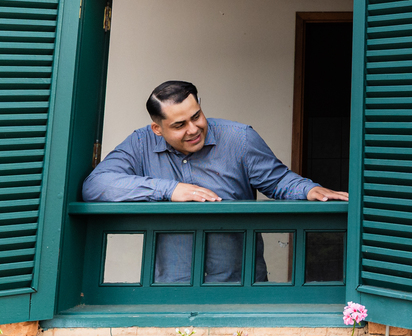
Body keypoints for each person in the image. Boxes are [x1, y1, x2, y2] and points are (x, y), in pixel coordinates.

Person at [83, 80, 349, 283]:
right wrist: (169, 189)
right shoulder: (140, 143)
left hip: (240, 284)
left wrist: (310, 189)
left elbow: (278, 180)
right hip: (171, 287)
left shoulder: (240, 138)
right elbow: (96, 185)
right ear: (157, 129)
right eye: (179, 125)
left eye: (196, 116)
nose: (193, 129)